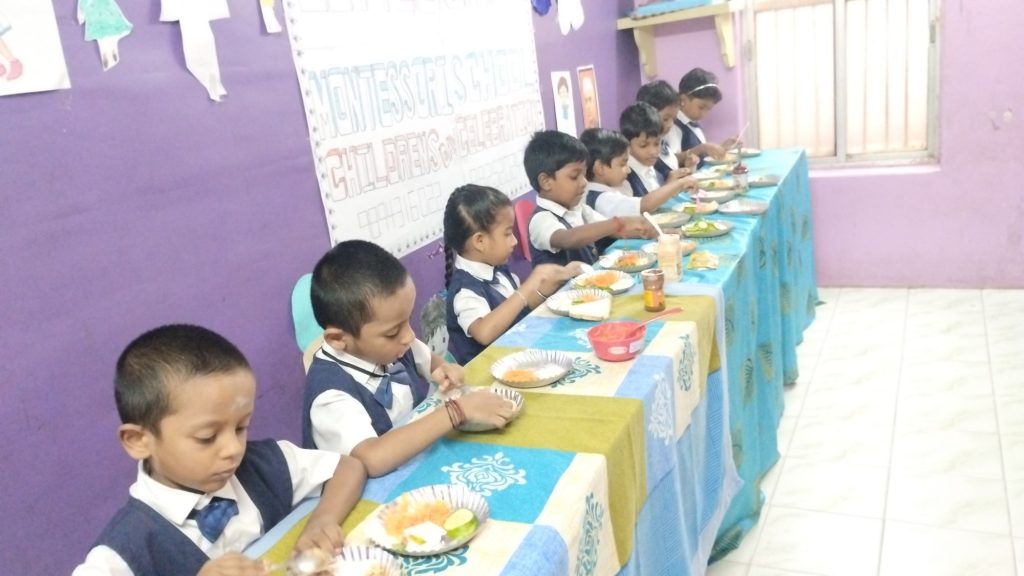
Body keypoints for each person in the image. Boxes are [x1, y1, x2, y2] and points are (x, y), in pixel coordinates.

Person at [74, 325, 367, 576]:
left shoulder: (259, 465)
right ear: (139, 440)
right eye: (207, 437)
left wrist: (322, 521)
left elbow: (348, 467)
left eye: (241, 427)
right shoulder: (123, 552)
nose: (233, 449)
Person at [303, 240, 514, 477]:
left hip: (416, 464)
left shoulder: (394, 345)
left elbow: (434, 363)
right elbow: (372, 459)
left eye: (408, 319)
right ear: (338, 339)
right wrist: (456, 411)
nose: (409, 336)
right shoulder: (330, 397)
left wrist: (446, 370)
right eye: (393, 331)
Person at [443, 184, 581, 364]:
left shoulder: (498, 270)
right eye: (507, 234)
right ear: (480, 241)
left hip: (520, 358)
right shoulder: (465, 291)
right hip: (489, 374)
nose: (514, 241)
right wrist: (528, 287)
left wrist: (549, 285)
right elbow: (484, 332)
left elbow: (519, 309)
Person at [524, 131, 656, 266]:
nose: (584, 182)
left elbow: (613, 230)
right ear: (546, 181)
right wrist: (617, 223)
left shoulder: (580, 210)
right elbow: (568, 238)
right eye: (574, 177)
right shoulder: (541, 220)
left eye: (584, 174)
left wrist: (644, 227)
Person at [580, 127, 694, 218]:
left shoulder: (621, 185)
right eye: (622, 164)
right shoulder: (600, 199)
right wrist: (679, 184)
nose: (629, 169)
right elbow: (645, 205)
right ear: (600, 168)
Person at [618, 103, 698, 200]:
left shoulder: (654, 165)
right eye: (643, 145)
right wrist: (668, 188)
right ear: (627, 144)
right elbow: (642, 206)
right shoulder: (624, 177)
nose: (653, 151)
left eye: (657, 143)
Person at [671, 68, 740, 164]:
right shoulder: (673, 126)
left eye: (708, 109)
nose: (704, 114)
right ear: (683, 100)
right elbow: (670, 161)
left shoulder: (693, 123)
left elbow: (703, 156)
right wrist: (701, 148)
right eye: (701, 107)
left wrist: (722, 148)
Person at [636, 80, 698, 179]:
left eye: (674, 119)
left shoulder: (663, 142)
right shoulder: (644, 154)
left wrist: (688, 167)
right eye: (665, 119)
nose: (670, 125)